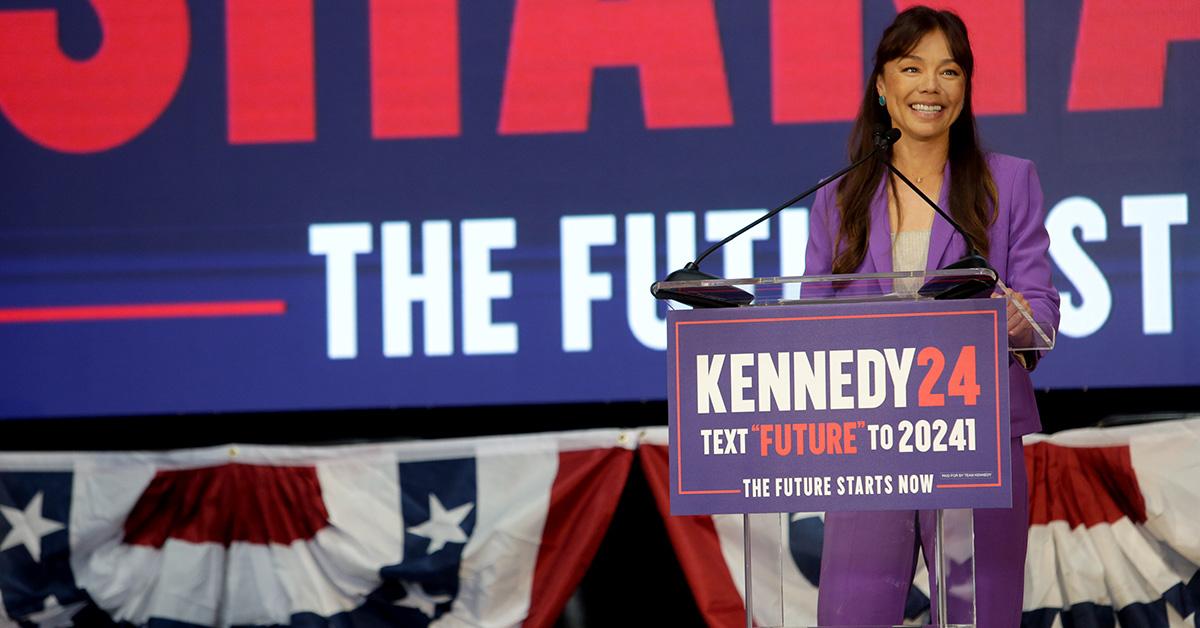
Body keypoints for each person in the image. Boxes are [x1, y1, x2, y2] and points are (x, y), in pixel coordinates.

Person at [803, 6, 1060, 626]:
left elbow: (1042, 314)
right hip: (868, 446)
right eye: (912, 68)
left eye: (949, 72)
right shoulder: (839, 197)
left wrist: (1004, 310)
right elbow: (811, 324)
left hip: (974, 441)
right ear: (882, 86)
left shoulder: (1008, 182)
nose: (931, 86)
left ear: (965, 88)